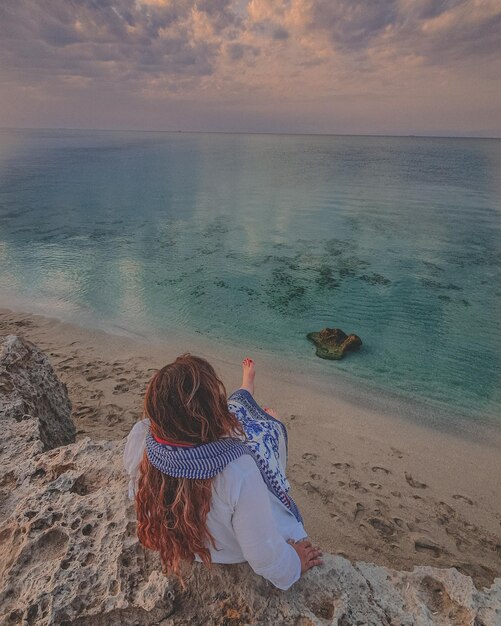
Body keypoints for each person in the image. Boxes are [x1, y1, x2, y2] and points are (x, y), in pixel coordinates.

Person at [123, 354, 322, 590]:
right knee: (264, 436)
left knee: (237, 416)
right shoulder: (237, 472)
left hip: (184, 539)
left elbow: (133, 478)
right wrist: (294, 563)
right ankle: (268, 418)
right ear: (215, 416)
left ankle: (247, 388)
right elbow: (265, 558)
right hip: (224, 550)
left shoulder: (143, 438)